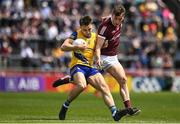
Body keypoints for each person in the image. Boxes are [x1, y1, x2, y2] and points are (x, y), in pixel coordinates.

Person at [53, 5, 140, 116]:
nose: (88, 32)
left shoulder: (95, 36)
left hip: (90, 67)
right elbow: (63, 47)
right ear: (80, 28)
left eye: (89, 29)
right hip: (77, 65)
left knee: (105, 88)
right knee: (82, 85)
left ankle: (115, 113)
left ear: (92, 26)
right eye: (85, 30)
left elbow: (99, 46)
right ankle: (65, 105)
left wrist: (103, 47)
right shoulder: (76, 34)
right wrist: (76, 47)